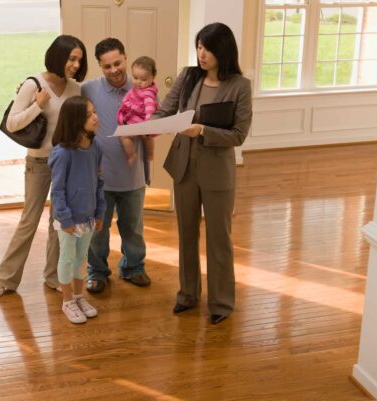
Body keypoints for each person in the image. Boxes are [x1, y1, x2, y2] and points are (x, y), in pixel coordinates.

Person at [152, 22, 252, 325]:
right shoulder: (189, 76)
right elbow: (165, 111)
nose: (201, 53)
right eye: (198, 47)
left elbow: (238, 135)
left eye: (207, 48)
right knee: (186, 233)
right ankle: (188, 294)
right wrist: (144, 126)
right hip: (184, 167)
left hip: (217, 172)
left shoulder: (239, 86)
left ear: (223, 51)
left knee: (219, 238)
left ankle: (221, 303)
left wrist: (203, 130)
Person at [0, 35, 87, 298]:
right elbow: (12, 124)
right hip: (38, 163)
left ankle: (54, 276)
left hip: (66, 163)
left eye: (79, 60)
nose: (76, 64)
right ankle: (5, 280)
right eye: (71, 58)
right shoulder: (33, 84)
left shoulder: (75, 89)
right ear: (58, 56)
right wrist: (38, 105)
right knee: (29, 221)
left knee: (59, 222)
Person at [81, 38, 151, 293]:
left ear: (125, 57)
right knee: (98, 231)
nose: (114, 70)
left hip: (132, 176)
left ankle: (134, 267)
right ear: (100, 66)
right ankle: (97, 272)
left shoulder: (142, 88)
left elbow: (156, 118)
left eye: (118, 63)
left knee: (133, 227)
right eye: (107, 66)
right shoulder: (88, 90)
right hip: (98, 178)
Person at [48, 96, 106, 323]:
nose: (95, 117)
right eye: (89, 114)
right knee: (67, 258)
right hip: (68, 221)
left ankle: (79, 296)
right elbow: (58, 190)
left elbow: (99, 183)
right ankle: (67, 301)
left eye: (94, 112)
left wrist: (100, 212)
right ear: (75, 121)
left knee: (82, 258)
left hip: (89, 218)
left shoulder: (96, 147)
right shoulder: (63, 154)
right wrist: (66, 219)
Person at [117, 56, 159, 166]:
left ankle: (146, 154)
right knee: (129, 136)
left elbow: (150, 108)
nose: (138, 82)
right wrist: (125, 103)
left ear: (153, 78)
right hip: (133, 118)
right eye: (135, 77)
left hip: (142, 119)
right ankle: (137, 154)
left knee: (145, 137)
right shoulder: (136, 88)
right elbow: (128, 96)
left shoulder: (148, 93)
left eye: (143, 79)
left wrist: (148, 122)